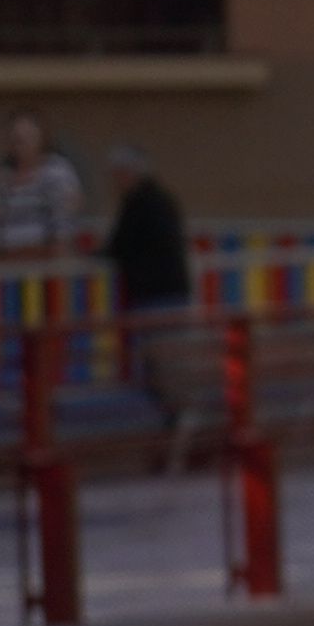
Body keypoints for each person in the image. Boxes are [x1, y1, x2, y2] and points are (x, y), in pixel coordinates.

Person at [101, 144, 200, 430]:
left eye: (117, 175)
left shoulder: (139, 203)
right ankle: (177, 417)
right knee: (169, 359)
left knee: (162, 361)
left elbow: (119, 246)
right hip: (172, 290)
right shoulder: (162, 199)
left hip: (154, 293)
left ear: (128, 174)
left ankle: (178, 417)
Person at [0, 110, 88, 262]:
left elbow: (63, 222)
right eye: (15, 139)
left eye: (27, 137)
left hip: (44, 262)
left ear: (41, 138)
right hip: (10, 261)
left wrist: (57, 257)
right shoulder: (4, 176)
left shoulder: (56, 172)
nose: (20, 144)